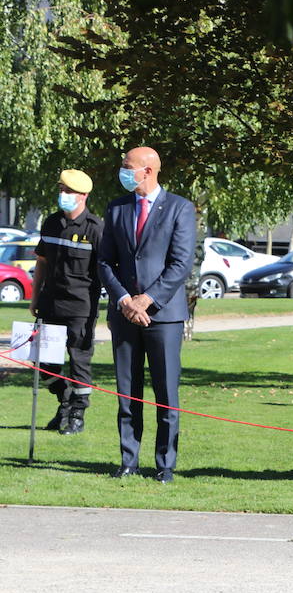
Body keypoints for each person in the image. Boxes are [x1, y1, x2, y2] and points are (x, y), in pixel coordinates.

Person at [97, 146, 196, 483]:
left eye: (128, 167)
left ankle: (165, 464)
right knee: (127, 392)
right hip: (123, 314)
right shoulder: (116, 208)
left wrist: (147, 300)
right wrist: (125, 300)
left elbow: (180, 263)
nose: (123, 172)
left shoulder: (180, 208)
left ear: (148, 170)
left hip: (163, 316)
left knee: (166, 393)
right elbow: (104, 261)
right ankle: (128, 459)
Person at [31, 169, 104, 435]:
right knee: (44, 363)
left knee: (79, 361)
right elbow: (42, 262)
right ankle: (63, 399)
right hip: (50, 304)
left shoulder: (95, 229)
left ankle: (77, 413)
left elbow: (105, 270)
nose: (62, 195)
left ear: (82, 196)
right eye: (60, 189)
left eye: (68, 191)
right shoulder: (51, 223)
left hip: (80, 308)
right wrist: (35, 297)